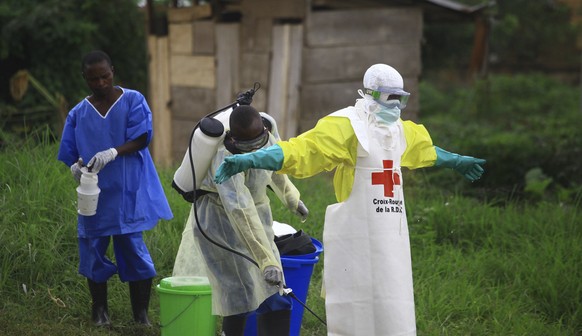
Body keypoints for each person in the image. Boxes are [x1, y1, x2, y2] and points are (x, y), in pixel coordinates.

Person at [214, 64, 486, 335]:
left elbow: (425, 151)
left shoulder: (400, 131)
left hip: (392, 241)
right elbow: (301, 151)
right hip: (356, 239)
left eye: (401, 98)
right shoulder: (347, 126)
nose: (396, 106)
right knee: (357, 308)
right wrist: (251, 158)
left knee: (394, 301)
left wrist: (457, 160)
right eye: (390, 98)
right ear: (371, 95)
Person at [57, 50, 173, 327]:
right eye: (93, 78)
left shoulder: (133, 100)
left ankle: (141, 315)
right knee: (92, 249)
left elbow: (142, 137)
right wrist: (76, 165)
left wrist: (113, 152)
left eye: (105, 76)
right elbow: (71, 151)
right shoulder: (78, 113)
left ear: (113, 71)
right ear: (84, 77)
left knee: (133, 249)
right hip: (93, 194)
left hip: (127, 190)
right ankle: (99, 312)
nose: (100, 83)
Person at [171, 104, 309, 336]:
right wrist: (266, 260)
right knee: (239, 292)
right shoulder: (225, 159)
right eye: (248, 146)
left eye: (259, 142)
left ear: (264, 130)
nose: (255, 150)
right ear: (233, 139)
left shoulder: (266, 132)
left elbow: (275, 165)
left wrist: (292, 198)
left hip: (258, 216)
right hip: (219, 223)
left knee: (275, 290)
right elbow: (240, 210)